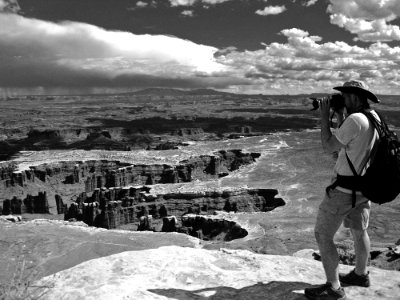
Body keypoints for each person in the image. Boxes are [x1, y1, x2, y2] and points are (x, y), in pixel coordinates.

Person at [304, 80, 380, 300]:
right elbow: (348, 143)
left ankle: (334, 287)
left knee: (323, 234)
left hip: (343, 191)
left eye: (344, 97)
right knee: (359, 231)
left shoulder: (355, 120)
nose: (342, 100)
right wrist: (339, 116)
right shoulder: (373, 117)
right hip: (363, 188)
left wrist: (324, 117)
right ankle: (360, 274)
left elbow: (329, 146)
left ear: (355, 97)